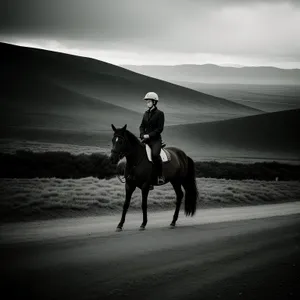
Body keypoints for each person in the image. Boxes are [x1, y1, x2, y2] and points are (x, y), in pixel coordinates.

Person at [139, 92, 165, 186]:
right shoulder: (145, 113)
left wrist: (149, 135)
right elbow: (141, 126)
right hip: (145, 139)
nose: (147, 103)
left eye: (149, 101)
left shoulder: (160, 114)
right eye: (147, 102)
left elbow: (159, 129)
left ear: (154, 102)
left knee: (154, 155)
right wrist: (142, 134)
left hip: (155, 140)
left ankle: (160, 176)